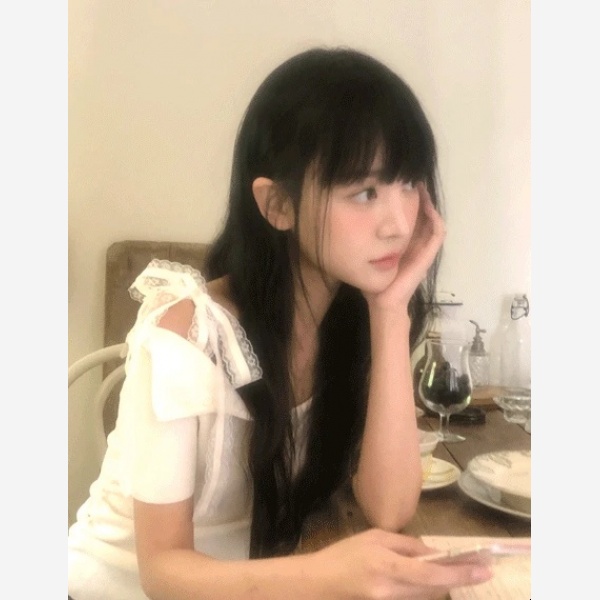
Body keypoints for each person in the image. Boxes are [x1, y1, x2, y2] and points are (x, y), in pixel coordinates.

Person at [68, 46, 493, 599]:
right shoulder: (188, 340)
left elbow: (389, 509)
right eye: (365, 192)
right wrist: (328, 574)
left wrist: (391, 313)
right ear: (278, 206)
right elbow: (162, 573)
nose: (398, 223)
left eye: (409, 184)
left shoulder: (350, 320)